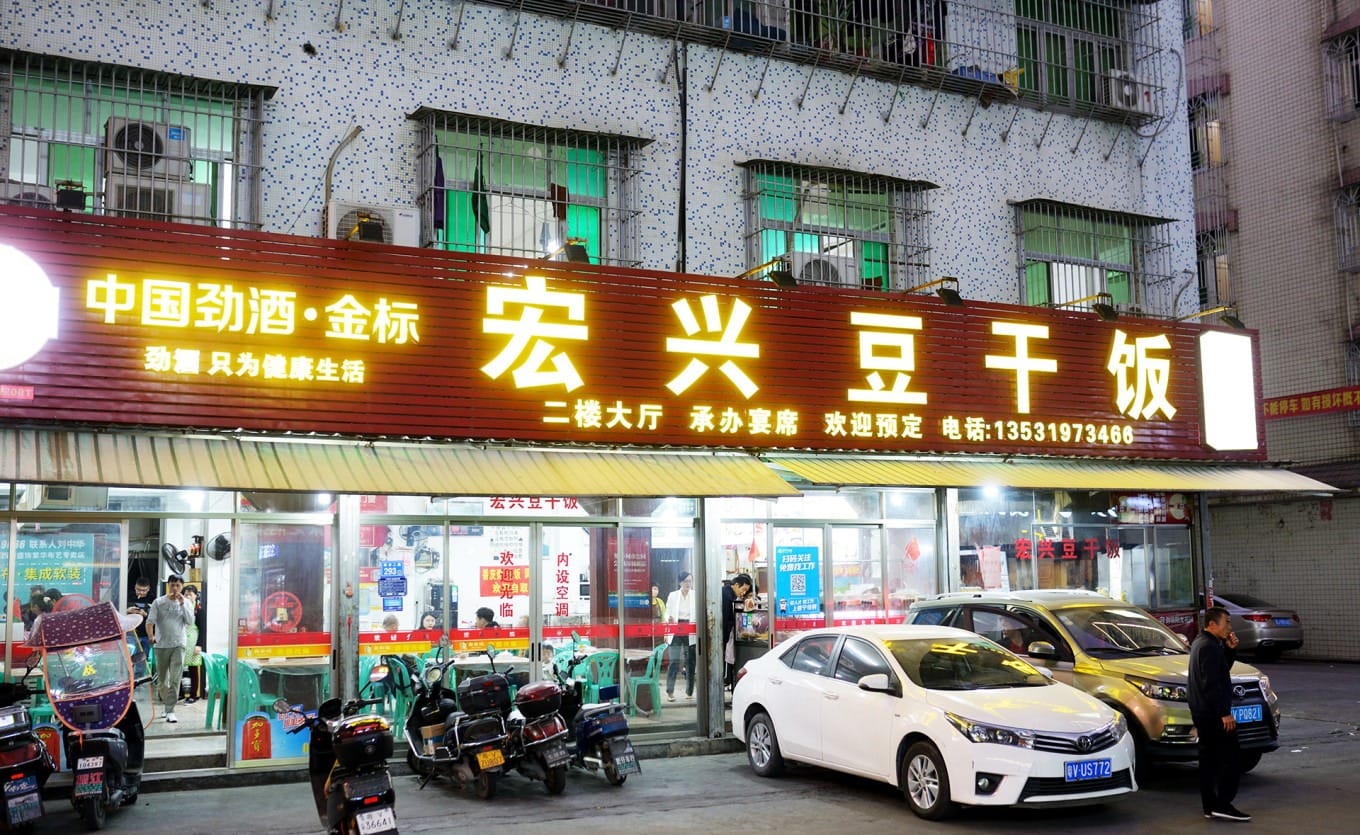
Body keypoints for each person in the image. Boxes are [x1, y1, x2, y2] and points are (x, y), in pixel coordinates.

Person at [1189, 606, 1250, 822]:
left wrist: (1230, 650)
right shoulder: (1208, 647)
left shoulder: (1203, 643)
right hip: (1213, 714)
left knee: (1209, 761)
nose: (1230, 627)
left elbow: (1220, 669)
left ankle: (1210, 806)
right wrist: (1224, 713)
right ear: (1212, 624)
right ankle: (1223, 803)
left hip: (1203, 712)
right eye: (1227, 623)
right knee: (1232, 759)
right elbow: (1211, 683)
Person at [145, 575, 195, 724]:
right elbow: (150, 622)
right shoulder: (159, 602)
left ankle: (170, 710)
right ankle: (167, 705)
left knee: (175, 679)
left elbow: (190, 621)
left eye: (178, 586)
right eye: (172, 585)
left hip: (179, 644)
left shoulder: (186, 603)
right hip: (161, 645)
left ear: (182, 586)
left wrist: (182, 604)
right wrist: (151, 636)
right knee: (162, 680)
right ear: (168, 586)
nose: (175, 589)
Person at [664, 572, 697, 701]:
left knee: (690, 661)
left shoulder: (695, 595)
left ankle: (689, 691)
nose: (688, 584)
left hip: (690, 628)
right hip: (676, 628)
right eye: (685, 581)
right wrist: (669, 618)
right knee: (674, 661)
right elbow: (667, 611)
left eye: (690, 581)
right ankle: (670, 691)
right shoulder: (673, 595)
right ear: (680, 582)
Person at [723, 574, 754, 691]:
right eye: (743, 590)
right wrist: (725, 639)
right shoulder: (727, 596)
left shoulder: (729, 595)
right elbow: (726, 619)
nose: (743, 593)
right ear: (736, 585)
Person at [181, 584, 206, 704]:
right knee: (179, 668)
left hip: (193, 643)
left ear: (195, 596)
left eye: (190, 594)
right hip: (181, 642)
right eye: (185, 594)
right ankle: (180, 694)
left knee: (193, 669)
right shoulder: (180, 608)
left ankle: (193, 695)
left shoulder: (199, 610)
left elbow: (202, 629)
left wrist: (199, 645)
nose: (187, 596)